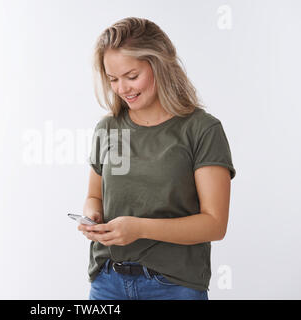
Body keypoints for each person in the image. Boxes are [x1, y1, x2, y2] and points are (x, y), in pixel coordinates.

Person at [78, 17, 236, 300]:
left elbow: (214, 224)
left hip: (174, 287)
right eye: (112, 79)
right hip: (107, 283)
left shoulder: (202, 130)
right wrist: (92, 216)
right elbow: (94, 197)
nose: (122, 88)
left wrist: (138, 229)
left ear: (159, 65)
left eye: (132, 76)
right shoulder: (108, 128)